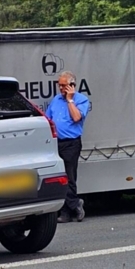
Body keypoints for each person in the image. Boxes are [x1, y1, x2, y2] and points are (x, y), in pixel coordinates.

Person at [46, 70, 90, 223]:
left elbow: (77, 117)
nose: (61, 88)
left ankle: (70, 208)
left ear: (72, 85)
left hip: (71, 144)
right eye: (59, 85)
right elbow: (48, 119)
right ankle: (72, 206)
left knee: (69, 177)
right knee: (60, 178)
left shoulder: (81, 100)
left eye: (64, 85)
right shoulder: (56, 100)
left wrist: (70, 100)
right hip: (56, 143)